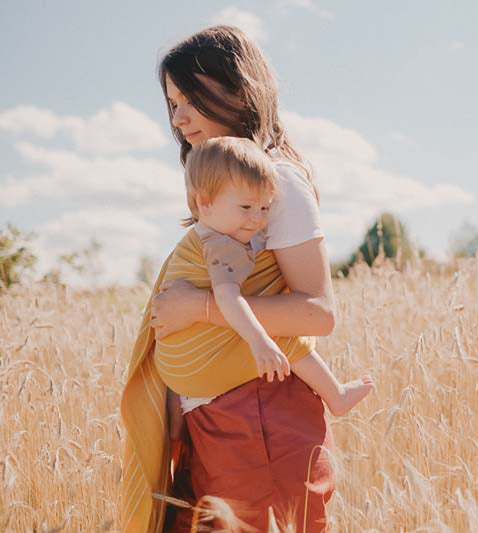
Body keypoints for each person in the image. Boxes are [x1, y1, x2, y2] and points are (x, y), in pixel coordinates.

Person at [121, 25, 368, 533]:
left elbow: (318, 314)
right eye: (172, 103)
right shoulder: (227, 188)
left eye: (192, 98)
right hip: (218, 413)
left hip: (261, 416)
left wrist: (198, 308)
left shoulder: (278, 183)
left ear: (237, 91)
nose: (179, 116)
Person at [161, 135, 374, 420]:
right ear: (205, 202)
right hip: (196, 369)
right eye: (246, 208)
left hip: (179, 371)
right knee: (283, 336)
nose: (258, 220)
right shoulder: (222, 246)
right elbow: (227, 297)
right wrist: (259, 341)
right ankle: (336, 396)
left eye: (265, 208)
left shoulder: (200, 236)